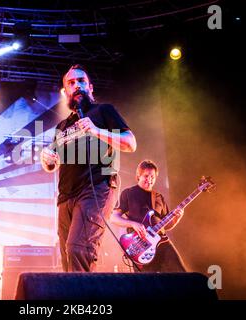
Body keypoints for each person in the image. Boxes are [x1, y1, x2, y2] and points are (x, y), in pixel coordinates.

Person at [41, 64, 137, 272]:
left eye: (81, 81)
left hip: (96, 189)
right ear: (65, 91)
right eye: (71, 83)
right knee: (67, 259)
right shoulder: (62, 127)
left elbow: (130, 143)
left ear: (91, 87)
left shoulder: (104, 111)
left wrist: (96, 131)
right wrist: (46, 159)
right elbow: (54, 163)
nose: (77, 86)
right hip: (65, 197)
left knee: (79, 250)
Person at [110, 159, 187, 272]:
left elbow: (166, 225)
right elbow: (113, 218)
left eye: (152, 177)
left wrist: (177, 218)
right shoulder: (128, 193)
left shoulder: (159, 197)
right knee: (147, 284)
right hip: (142, 246)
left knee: (181, 275)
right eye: (146, 176)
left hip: (162, 242)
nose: (149, 180)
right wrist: (133, 224)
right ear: (138, 176)